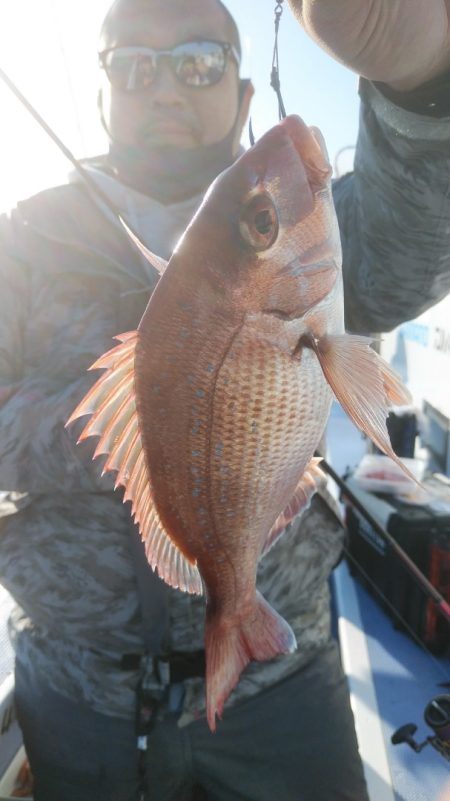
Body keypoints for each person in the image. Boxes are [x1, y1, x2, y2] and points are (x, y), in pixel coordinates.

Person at [0, 0, 448, 799]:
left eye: (200, 60)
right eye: (134, 62)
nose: (166, 86)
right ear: (102, 91)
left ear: (244, 96)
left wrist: (423, 84)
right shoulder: (22, 241)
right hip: (73, 689)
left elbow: (409, 241)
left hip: (284, 677)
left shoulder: (314, 222)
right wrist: (147, 414)